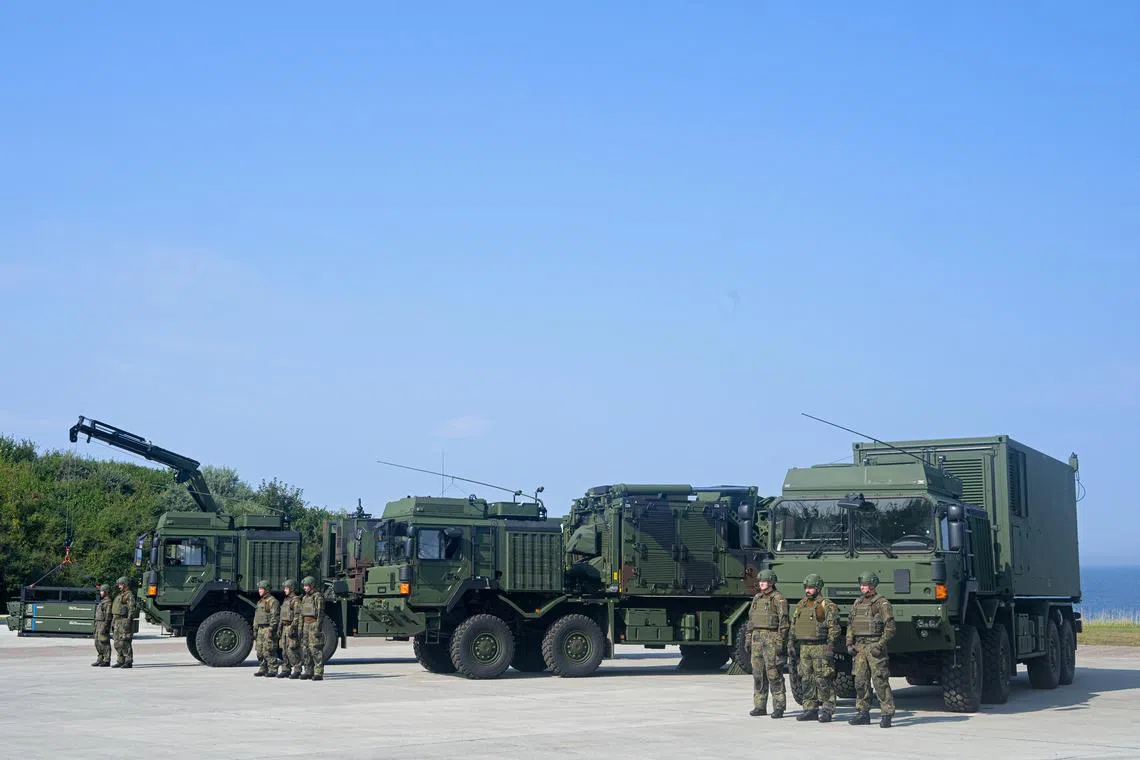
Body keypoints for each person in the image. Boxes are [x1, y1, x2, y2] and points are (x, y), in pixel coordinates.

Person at [846, 571, 897, 727]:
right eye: (861, 585)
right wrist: (849, 643)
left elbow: (890, 627)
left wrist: (880, 645)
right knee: (860, 682)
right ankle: (862, 712)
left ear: (873, 586)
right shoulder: (857, 603)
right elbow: (851, 625)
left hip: (874, 646)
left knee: (880, 681)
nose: (863, 587)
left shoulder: (881, 603)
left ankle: (887, 713)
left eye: (866, 585)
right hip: (860, 647)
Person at [790, 573, 841, 723]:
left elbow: (834, 628)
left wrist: (830, 646)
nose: (807, 590)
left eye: (811, 587)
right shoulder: (801, 605)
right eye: (806, 587)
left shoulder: (827, 605)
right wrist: (791, 643)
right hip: (805, 647)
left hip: (820, 646)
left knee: (823, 679)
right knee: (806, 678)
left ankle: (827, 709)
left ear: (818, 588)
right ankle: (810, 708)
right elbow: (794, 626)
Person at [746, 569, 789, 718]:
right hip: (757, 638)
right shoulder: (757, 598)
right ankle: (759, 705)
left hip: (772, 638)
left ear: (771, 582)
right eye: (760, 581)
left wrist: (780, 642)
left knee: (774, 673)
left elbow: (784, 623)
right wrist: (748, 638)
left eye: (764, 581)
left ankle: (779, 706)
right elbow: (751, 621)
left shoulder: (778, 599)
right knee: (758, 674)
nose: (762, 584)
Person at [253, 579, 281, 677]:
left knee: (269, 650)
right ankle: (263, 668)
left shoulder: (273, 601)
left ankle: (273, 669)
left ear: (266, 589)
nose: (259, 590)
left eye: (261, 589)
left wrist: (272, 629)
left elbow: (275, 616)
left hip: (268, 628)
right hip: (260, 629)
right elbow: (256, 617)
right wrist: (255, 629)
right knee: (260, 651)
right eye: (259, 589)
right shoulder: (260, 602)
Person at [299, 576, 325, 681]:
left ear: (311, 585)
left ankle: (318, 672)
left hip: (314, 624)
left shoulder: (317, 597)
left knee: (315, 649)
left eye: (306, 586)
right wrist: (300, 628)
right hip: (305, 625)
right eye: (304, 586)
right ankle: (308, 671)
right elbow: (301, 614)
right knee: (305, 649)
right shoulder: (305, 598)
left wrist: (318, 627)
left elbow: (320, 613)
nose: (304, 588)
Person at [278, 578, 303, 679]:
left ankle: (297, 669)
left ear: (292, 589)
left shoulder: (296, 600)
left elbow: (298, 615)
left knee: (292, 649)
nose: (284, 590)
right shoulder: (286, 600)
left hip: (290, 627)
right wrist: (280, 627)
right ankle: (286, 669)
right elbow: (282, 615)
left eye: (286, 588)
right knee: (283, 650)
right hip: (284, 627)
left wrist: (294, 627)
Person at [111, 576, 137, 669]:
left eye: (121, 584)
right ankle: (120, 660)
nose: (119, 586)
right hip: (118, 620)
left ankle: (128, 661)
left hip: (124, 621)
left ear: (125, 585)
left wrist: (129, 620)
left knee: (125, 641)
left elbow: (131, 608)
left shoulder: (129, 595)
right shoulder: (120, 595)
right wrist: (113, 622)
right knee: (117, 642)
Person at [91, 582, 113, 667]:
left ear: (106, 592)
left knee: (104, 642)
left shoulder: (108, 603)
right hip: (98, 623)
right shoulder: (102, 601)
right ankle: (100, 658)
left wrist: (105, 626)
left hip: (103, 623)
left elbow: (108, 616)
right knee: (97, 642)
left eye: (102, 591)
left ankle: (107, 660)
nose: (100, 593)